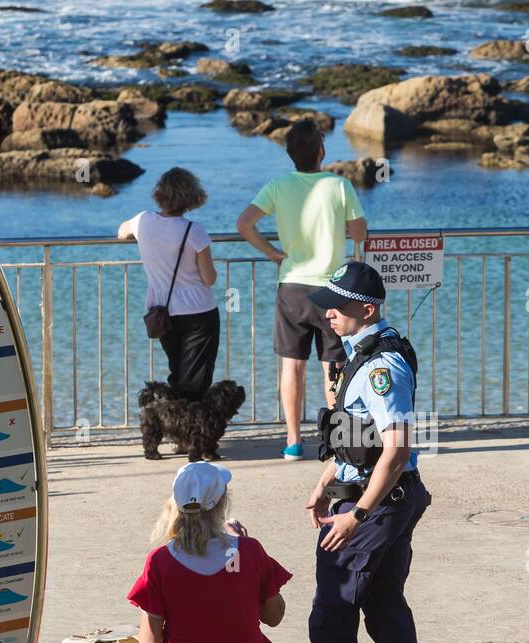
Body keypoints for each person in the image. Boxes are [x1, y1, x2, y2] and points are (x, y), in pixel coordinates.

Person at [304, 262, 430, 643]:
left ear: (368, 309)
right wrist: (326, 480)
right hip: (375, 493)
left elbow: (396, 450)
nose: (328, 312)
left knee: (333, 607)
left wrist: (357, 515)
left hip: (379, 502)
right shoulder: (362, 354)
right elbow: (359, 437)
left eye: (338, 305)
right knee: (383, 605)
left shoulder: (382, 367)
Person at [236, 119, 368, 461]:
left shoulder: (278, 185)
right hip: (333, 288)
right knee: (334, 367)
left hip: (292, 284)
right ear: (321, 151)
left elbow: (244, 224)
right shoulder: (339, 185)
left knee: (292, 366)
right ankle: (339, 442)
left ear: (290, 153)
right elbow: (359, 233)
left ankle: (293, 441)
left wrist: (272, 253)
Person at [126, 462, 291, 643]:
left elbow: (150, 642)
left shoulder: (160, 560)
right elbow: (274, 616)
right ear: (223, 503)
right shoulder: (249, 550)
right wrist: (245, 551)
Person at [118, 167, 220, 401]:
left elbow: (121, 232)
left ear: (160, 194)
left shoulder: (142, 220)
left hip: (162, 311)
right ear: (191, 197)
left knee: (178, 372)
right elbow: (209, 278)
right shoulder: (194, 231)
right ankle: (192, 432)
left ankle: (178, 426)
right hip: (198, 312)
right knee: (196, 379)